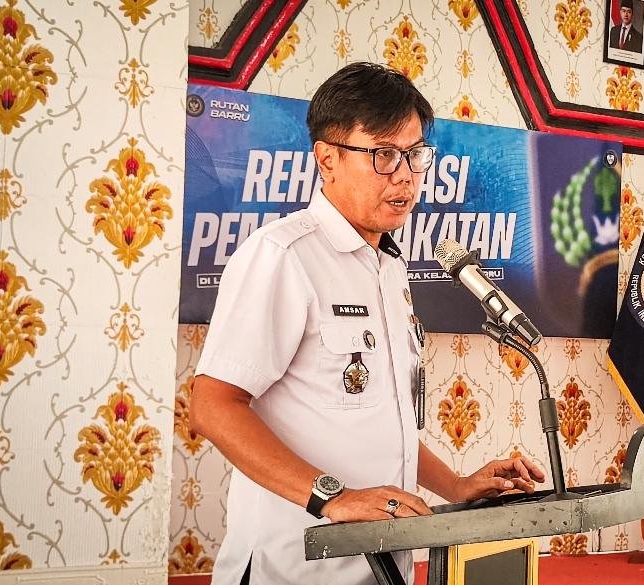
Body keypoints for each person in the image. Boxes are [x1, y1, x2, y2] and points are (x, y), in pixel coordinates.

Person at [190, 62, 546, 585]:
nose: (404, 175)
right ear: (327, 159)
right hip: (293, 569)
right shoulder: (283, 257)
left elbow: (380, 421)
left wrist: (456, 485)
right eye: (383, 154)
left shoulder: (389, 267)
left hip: (381, 566)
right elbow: (212, 405)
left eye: (414, 154)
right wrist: (332, 497)